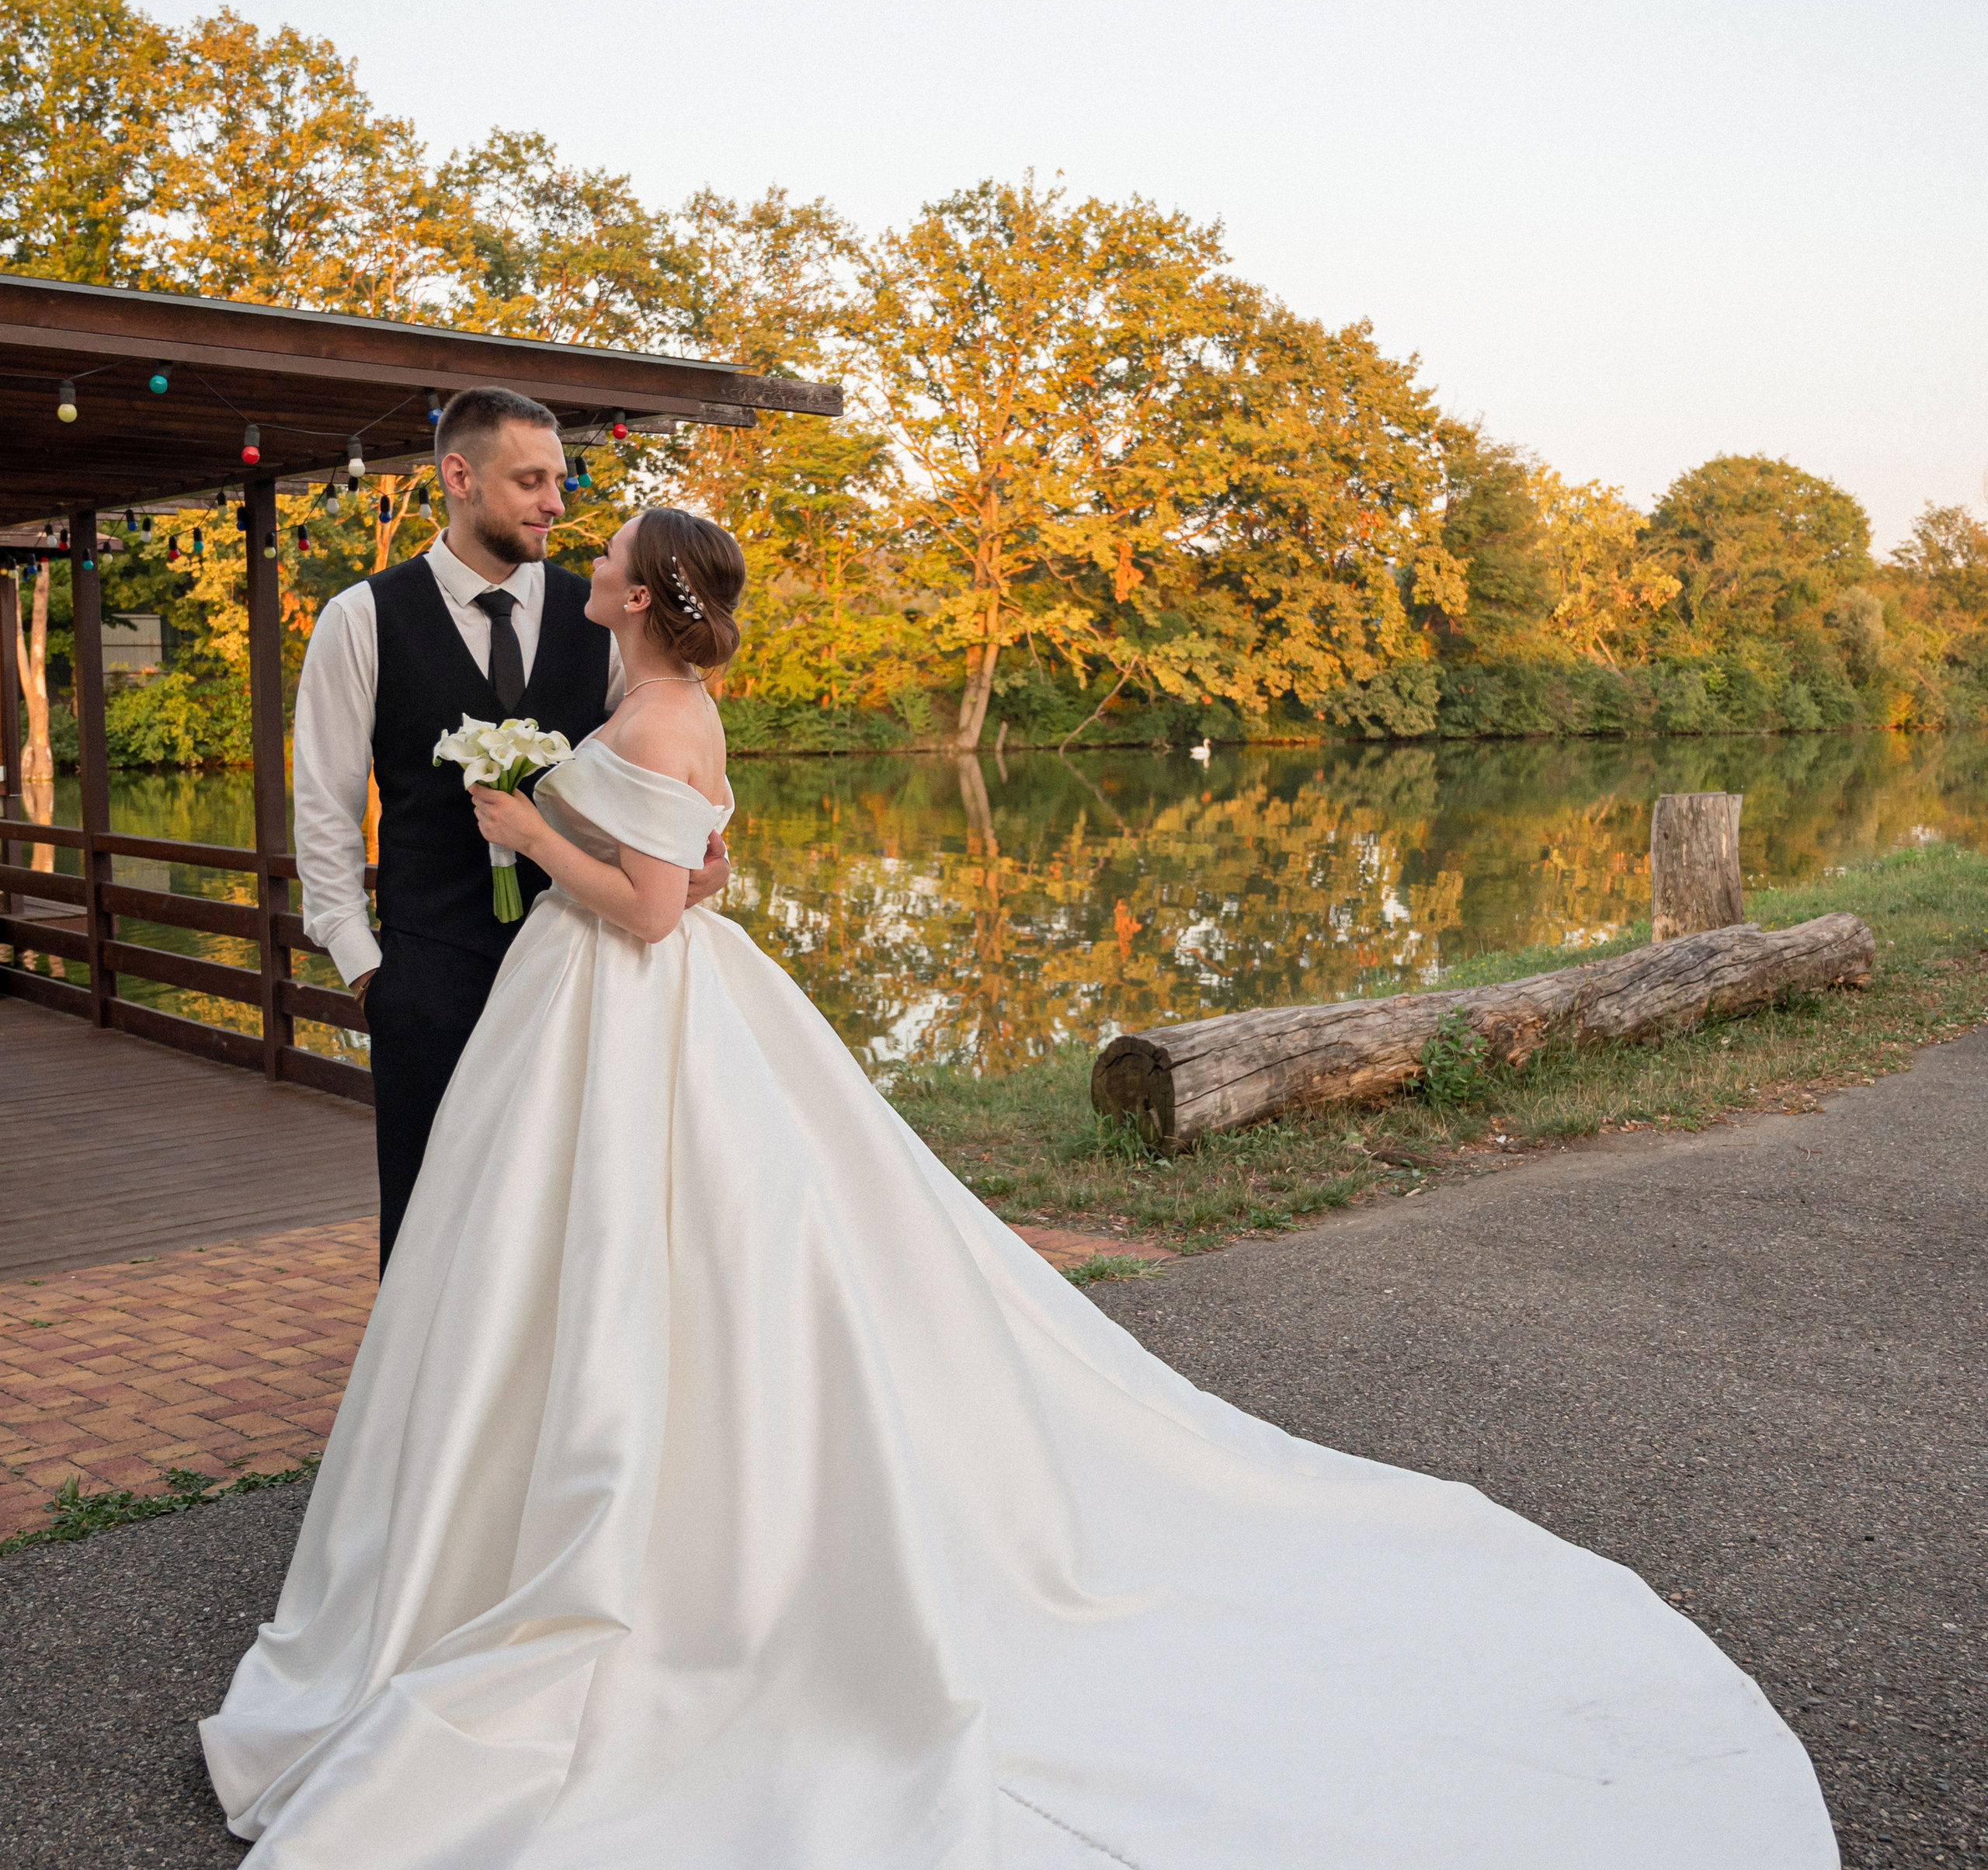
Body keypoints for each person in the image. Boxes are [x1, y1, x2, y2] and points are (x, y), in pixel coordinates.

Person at [206, 508, 1837, 1868]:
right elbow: (713, 872)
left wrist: (520, 827)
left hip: (623, 1000)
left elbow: (643, 907)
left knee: (646, 1251)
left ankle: (629, 1531)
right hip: (635, 1022)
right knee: (646, 1254)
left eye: (611, 556)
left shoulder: (641, 718)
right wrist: (584, 836)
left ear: (636, 597)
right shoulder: (675, 715)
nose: (592, 562)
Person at [291, 388, 728, 1273]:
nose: (554, 504)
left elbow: (670, 777)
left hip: (585, 977)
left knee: (569, 1212)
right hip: (429, 970)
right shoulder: (361, 618)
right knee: (425, 1218)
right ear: (460, 477)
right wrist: (366, 965)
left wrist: (707, 863)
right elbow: (323, 805)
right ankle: (426, 1411)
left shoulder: (609, 617)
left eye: (558, 481)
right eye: (530, 481)